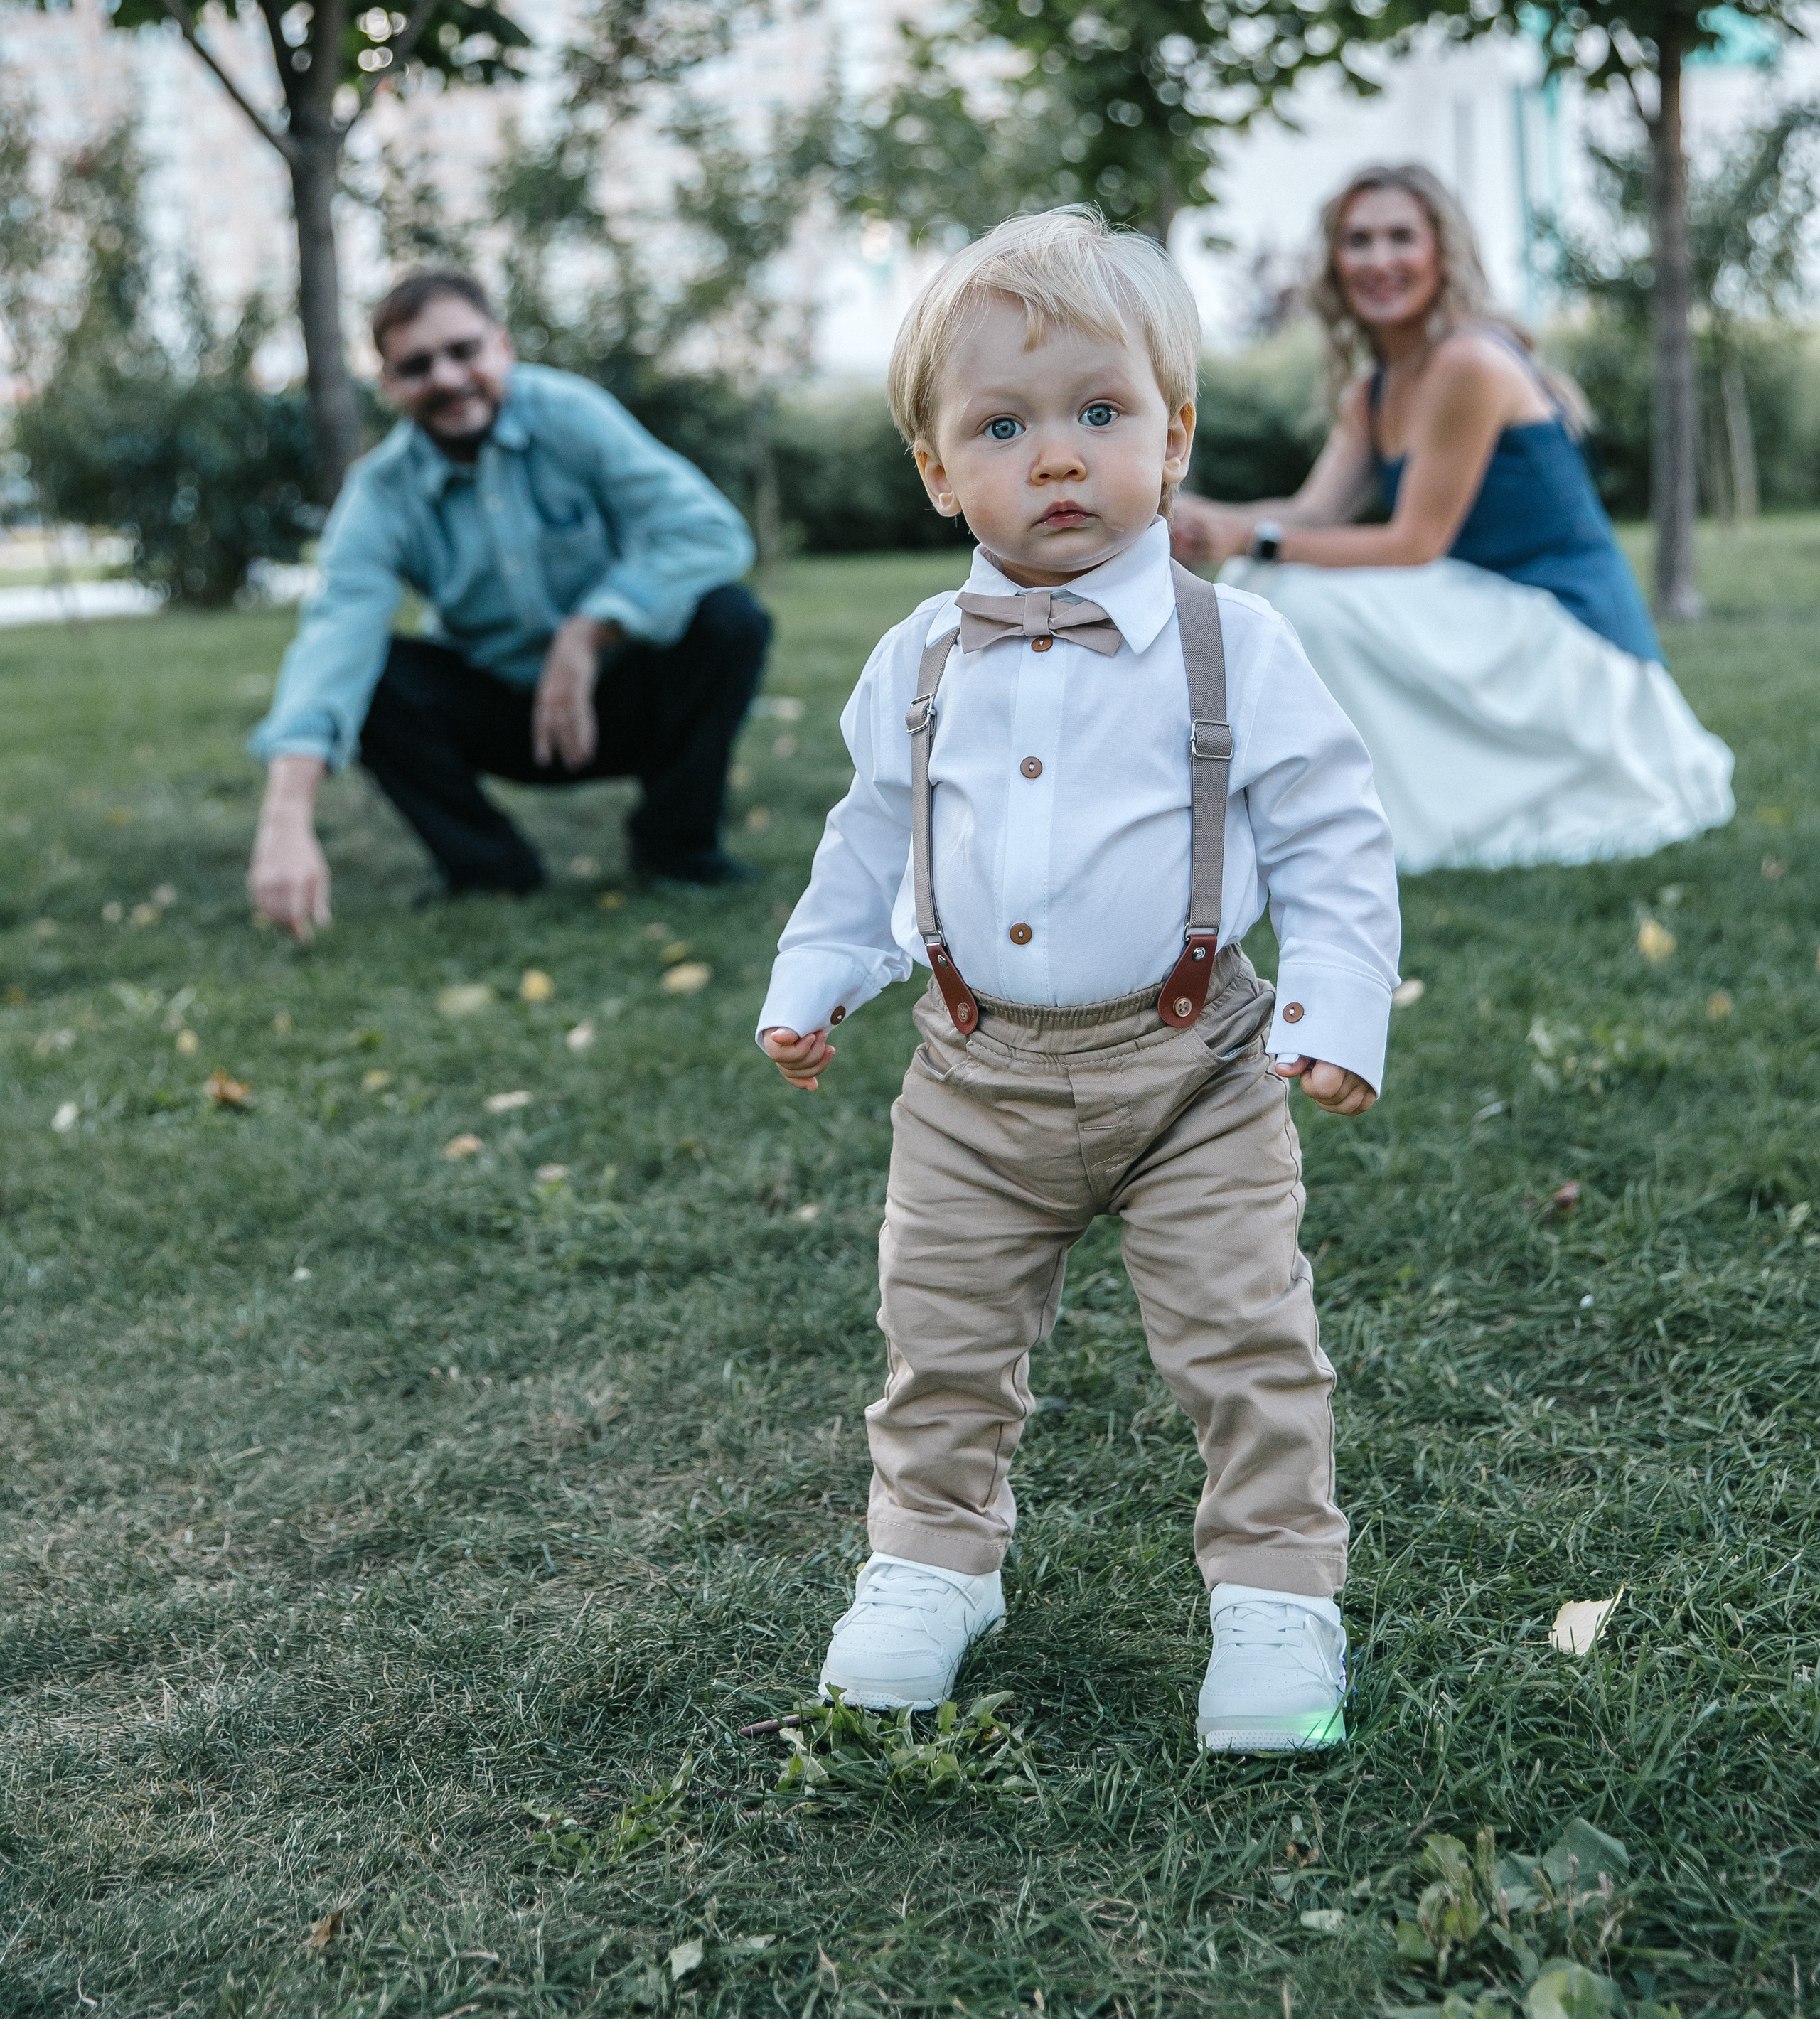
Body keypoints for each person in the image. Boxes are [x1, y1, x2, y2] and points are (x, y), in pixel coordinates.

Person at [754, 206, 1400, 1751]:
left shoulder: (1229, 645)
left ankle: (1271, 1594)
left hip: (1196, 1073)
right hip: (969, 1080)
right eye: (1003, 425)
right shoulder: (917, 656)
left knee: (1244, 1338)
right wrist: (816, 972)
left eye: (1097, 414)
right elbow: (873, 836)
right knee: (943, 1341)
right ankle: (928, 1558)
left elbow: (1332, 834)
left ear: (1169, 441)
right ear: (935, 470)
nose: (1056, 457)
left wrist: (1331, 1008)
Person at [1170, 164, 1734, 873]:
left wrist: (1251, 536)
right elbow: (1309, 512)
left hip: (1566, 634)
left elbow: (1413, 544)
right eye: (1358, 241)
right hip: (1481, 620)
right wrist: (1199, 519)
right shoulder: (1372, 391)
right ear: (1335, 263)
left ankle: (1380, 815)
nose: (1379, 260)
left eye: (1400, 237)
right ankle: (1296, 808)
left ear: (1442, 251)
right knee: (1261, 576)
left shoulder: (1469, 364)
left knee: (1300, 596)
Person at [248, 269, 769, 936]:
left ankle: (679, 849)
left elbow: (709, 532)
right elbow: (334, 638)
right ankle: (488, 870)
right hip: (502, 715)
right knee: (373, 672)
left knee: (728, 619)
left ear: (502, 347)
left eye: (463, 351)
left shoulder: (570, 415)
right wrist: (285, 818)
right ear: (388, 384)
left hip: (623, 697)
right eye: (416, 365)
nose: (446, 377)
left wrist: (587, 633)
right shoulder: (379, 493)